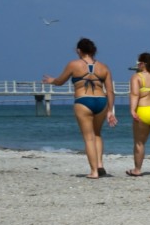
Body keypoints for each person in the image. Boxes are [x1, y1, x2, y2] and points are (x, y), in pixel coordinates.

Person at [43, 37, 116, 178]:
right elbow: (110, 91)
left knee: (88, 138)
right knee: (97, 134)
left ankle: (94, 171)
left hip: (83, 100)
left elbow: (60, 81)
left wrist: (52, 80)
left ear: (79, 50)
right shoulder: (104, 67)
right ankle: (100, 165)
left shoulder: (74, 64)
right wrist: (110, 111)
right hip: (101, 101)